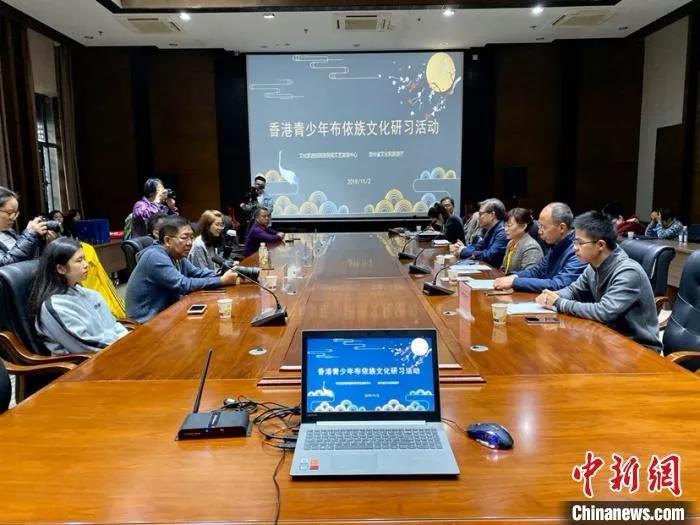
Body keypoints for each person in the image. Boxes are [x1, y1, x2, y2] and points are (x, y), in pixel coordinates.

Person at [535, 211, 662, 353]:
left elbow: (603, 311)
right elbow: (573, 290)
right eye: (574, 242)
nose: (574, 248)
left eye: (580, 243)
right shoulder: (593, 265)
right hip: (609, 339)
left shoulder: (628, 272)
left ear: (600, 245)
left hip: (640, 349)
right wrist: (552, 296)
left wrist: (560, 302)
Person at [125, 216, 238, 323]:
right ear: (167, 241)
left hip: (168, 313)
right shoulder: (155, 256)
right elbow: (183, 284)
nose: (190, 243)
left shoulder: (176, 254)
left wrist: (223, 272)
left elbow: (196, 273)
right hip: (146, 322)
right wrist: (222, 280)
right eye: (184, 238)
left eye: (191, 237)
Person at [28, 238, 128, 355]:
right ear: (61, 269)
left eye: (84, 259)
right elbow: (85, 346)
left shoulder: (89, 293)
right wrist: (124, 345)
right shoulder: (54, 306)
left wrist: (129, 340)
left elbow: (113, 324)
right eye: (79, 261)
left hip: (114, 350)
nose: (86, 264)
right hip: (86, 361)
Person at [493, 202, 586, 292]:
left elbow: (559, 284)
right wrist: (513, 277)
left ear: (562, 228)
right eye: (539, 226)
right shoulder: (556, 245)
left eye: (543, 226)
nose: (539, 231)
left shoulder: (578, 250)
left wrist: (515, 282)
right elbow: (537, 271)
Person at [0, 186, 56, 267]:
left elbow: (28, 260)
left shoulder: (9, 232)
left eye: (15, 213)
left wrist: (43, 242)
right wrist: (30, 234)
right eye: (9, 213)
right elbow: (5, 265)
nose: (13, 218)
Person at [454, 198, 508, 267]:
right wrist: (463, 248)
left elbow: (490, 255)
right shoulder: (491, 229)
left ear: (492, 215)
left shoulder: (503, 232)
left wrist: (464, 251)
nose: (478, 217)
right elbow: (478, 247)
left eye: (480, 214)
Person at [500, 208, 543, 274]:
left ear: (523, 226)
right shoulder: (511, 243)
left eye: (509, 225)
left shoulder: (531, 247)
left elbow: (528, 275)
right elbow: (504, 268)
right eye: (505, 225)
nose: (505, 229)